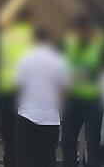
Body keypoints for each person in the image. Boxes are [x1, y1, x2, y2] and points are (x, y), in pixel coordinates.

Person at [15, 28, 70, 167]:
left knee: (26, 158)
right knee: (47, 158)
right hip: (50, 118)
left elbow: (18, 85)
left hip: (27, 114)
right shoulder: (59, 61)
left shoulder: (24, 58)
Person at [61, 18, 104, 167]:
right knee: (68, 141)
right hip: (73, 99)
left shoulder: (100, 43)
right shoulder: (68, 42)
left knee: (92, 141)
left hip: (92, 99)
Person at [0, 10, 34, 167]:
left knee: (9, 133)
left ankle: (10, 162)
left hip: (5, 90)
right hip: (25, 91)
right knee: (27, 132)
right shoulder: (32, 36)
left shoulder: (4, 36)